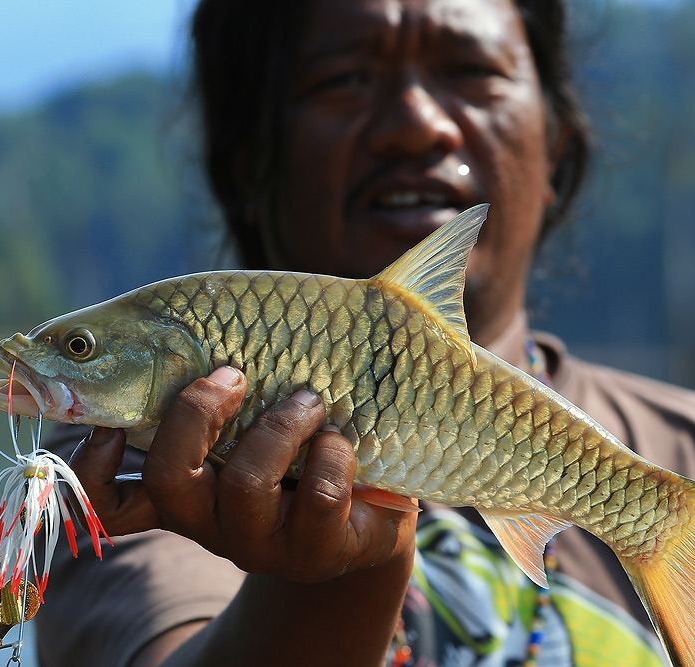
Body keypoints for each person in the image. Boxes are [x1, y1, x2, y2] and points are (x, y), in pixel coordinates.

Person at [35, 1, 695, 665]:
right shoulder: (119, 466)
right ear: (246, 162)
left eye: (470, 71)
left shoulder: (683, 448)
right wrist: (337, 572)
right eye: (344, 77)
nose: (417, 126)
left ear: (557, 146)